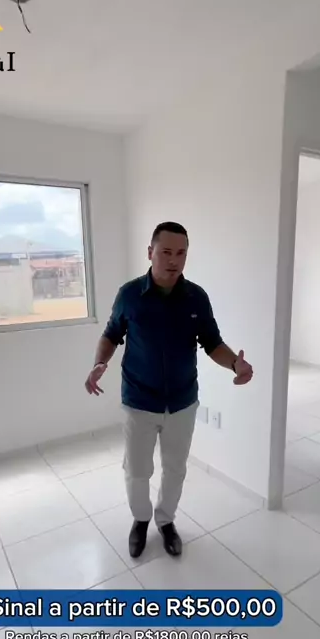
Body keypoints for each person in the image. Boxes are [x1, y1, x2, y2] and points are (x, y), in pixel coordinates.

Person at [85, 222, 253, 559]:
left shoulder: (196, 297)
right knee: (137, 470)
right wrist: (100, 362)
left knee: (175, 469)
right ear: (150, 253)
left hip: (182, 402)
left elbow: (212, 343)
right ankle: (141, 520)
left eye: (181, 253)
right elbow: (111, 334)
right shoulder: (130, 294)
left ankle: (166, 521)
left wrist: (235, 364)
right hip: (139, 400)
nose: (174, 260)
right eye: (166, 252)